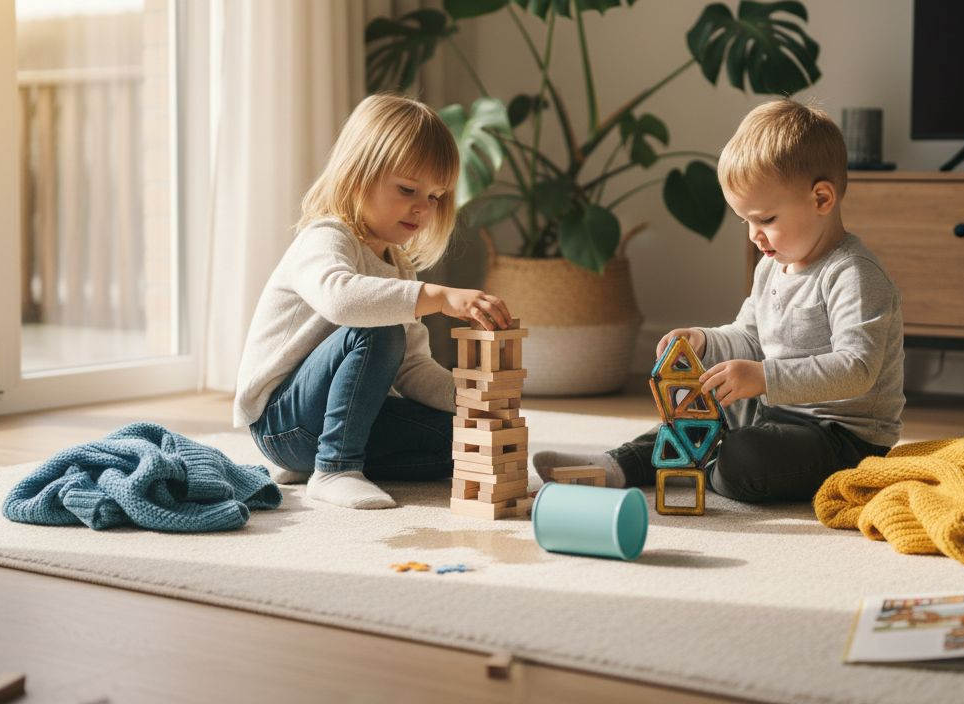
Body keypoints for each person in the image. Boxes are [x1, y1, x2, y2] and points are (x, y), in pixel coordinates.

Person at [534, 99, 904, 502]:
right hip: (774, 414)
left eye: (765, 220)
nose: (753, 236)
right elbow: (748, 335)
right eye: (744, 221)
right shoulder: (771, 267)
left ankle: (699, 463)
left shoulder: (853, 274)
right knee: (699, 410)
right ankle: (621, 464)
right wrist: (705, 340)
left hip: (842, 439)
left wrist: (763, 378)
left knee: (745, 458)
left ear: (821, 199)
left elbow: (857, 369)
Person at [233, 93, 511, 510]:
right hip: (282, 423)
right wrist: (436, 296)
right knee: (377, 328)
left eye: (435, 196)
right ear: (358, 175)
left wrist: (473, 400)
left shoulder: (398, 265)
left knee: (461, 443)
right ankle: (334, 468)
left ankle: (331, 458)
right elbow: (342, 300)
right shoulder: (325, 237)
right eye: (407, 189)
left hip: (341, 420)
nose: (422, 208)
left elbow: (413, 368)